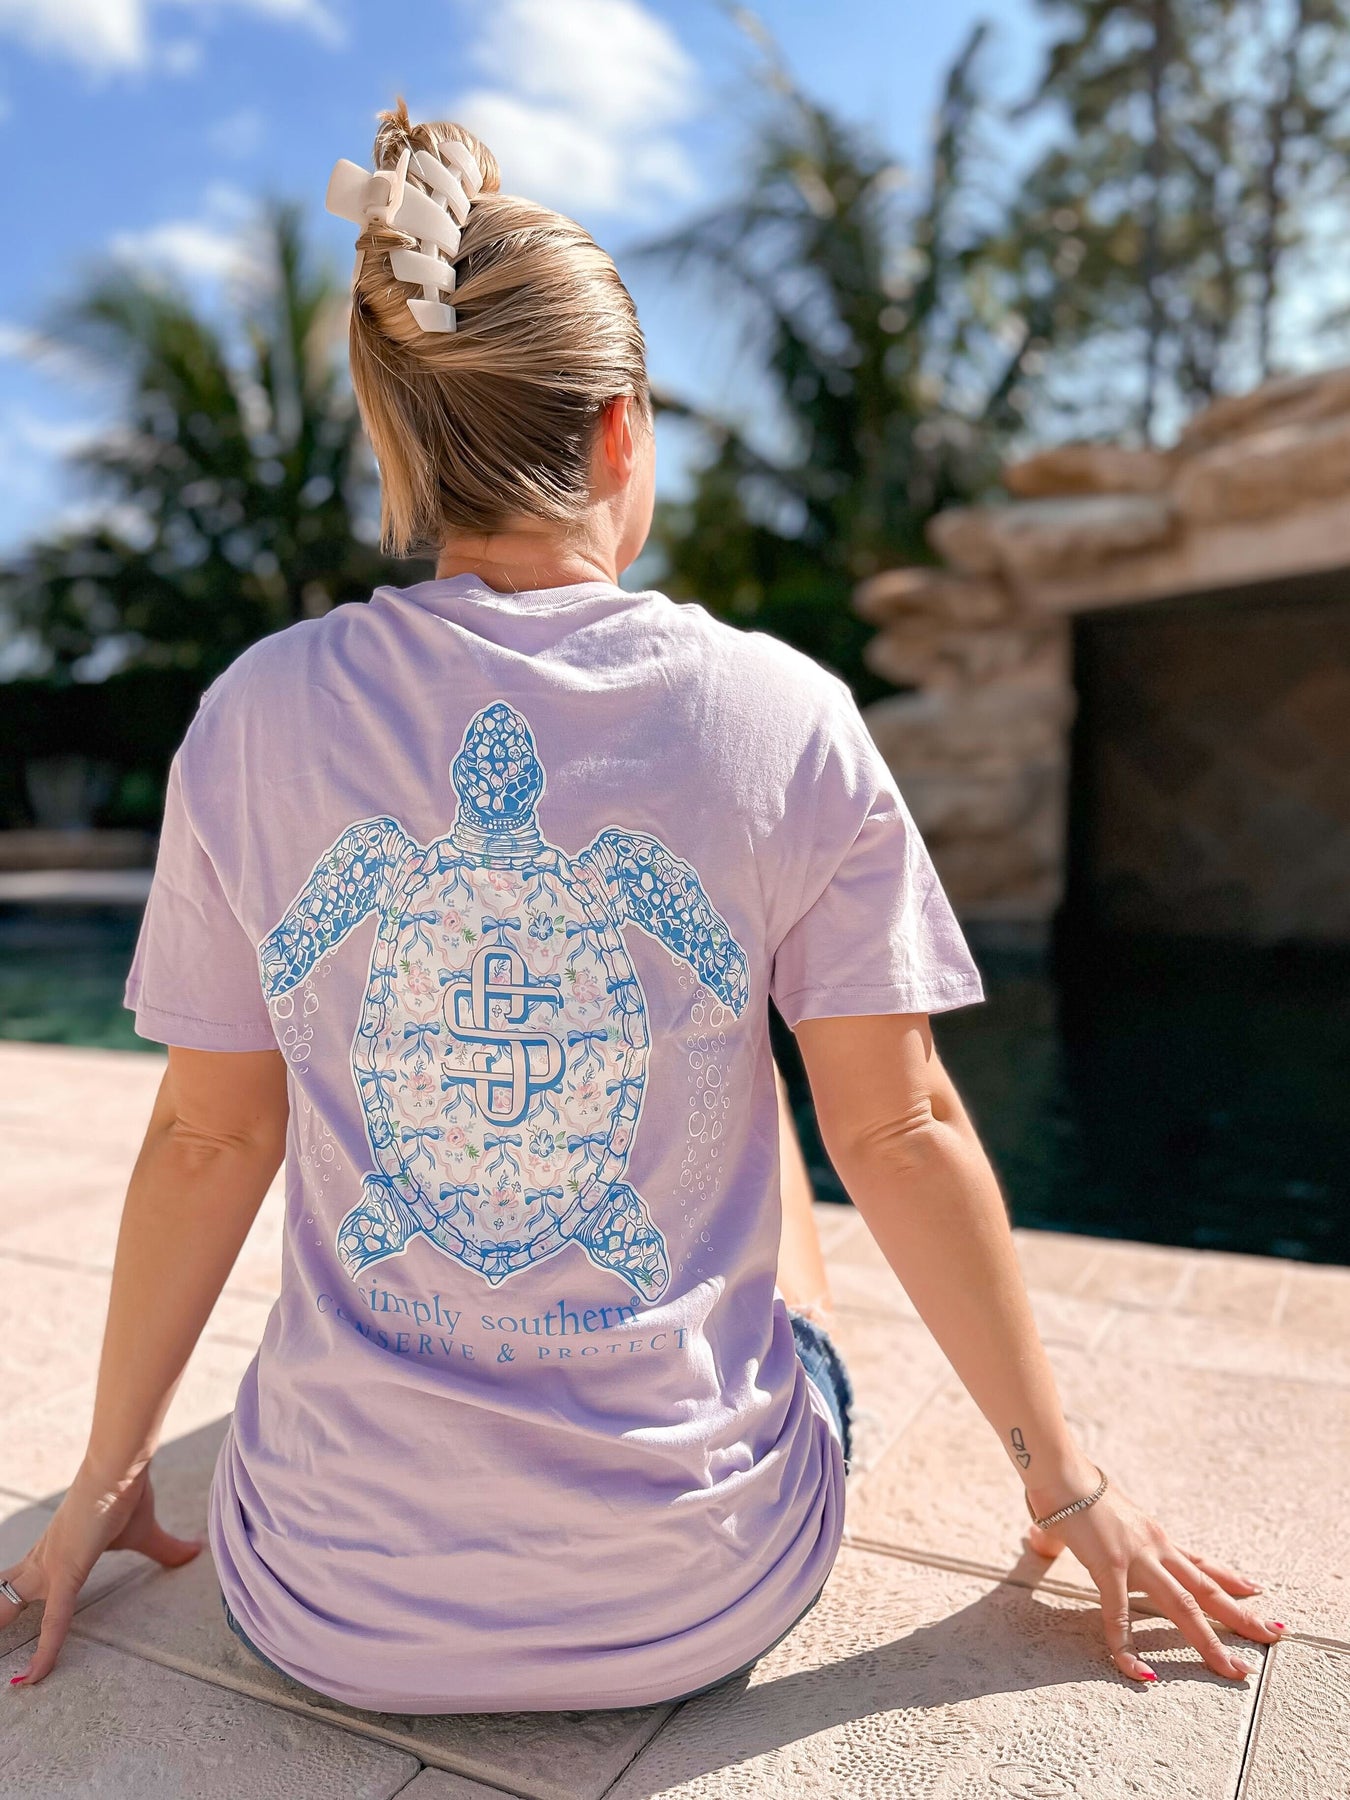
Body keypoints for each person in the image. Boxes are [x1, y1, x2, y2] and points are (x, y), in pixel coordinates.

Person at [1, 104, 1284, 1710]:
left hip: (320, 1597)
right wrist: (1065, 1483)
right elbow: (902, 1130)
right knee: (775, 1118)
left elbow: (208, 1137)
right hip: (695, 1594)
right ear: (622, 431)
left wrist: (107, 1478)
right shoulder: (778, 712)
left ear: (402, 448)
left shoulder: (255, 714)